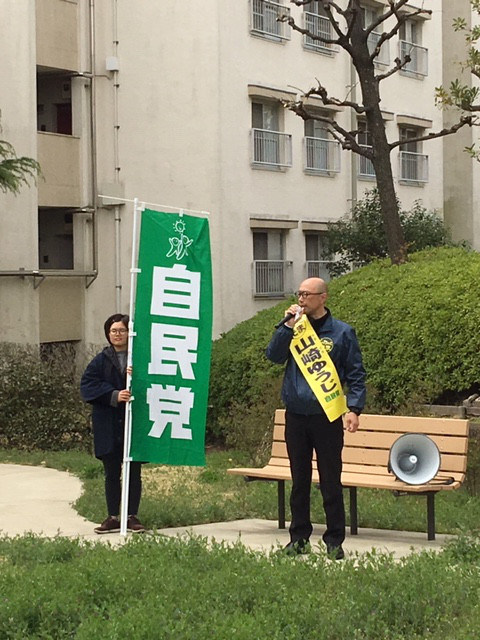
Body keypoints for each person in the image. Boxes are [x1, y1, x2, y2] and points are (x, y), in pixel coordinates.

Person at [266, 277, 366, 559]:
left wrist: (355, 409)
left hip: (327, 416)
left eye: (307, 295)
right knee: (299, 480)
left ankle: (334, 541)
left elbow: (356, 375)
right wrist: (286, 326)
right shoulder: (295, 328)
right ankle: (298, 538)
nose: (301, 299)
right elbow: (273, 356)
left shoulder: (342, 333)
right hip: (296, 416)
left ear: (323, 297)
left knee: (330, 480)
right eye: (299, 294)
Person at [80, 313, 145, 534]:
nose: (118, 335)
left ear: (130, 333)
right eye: (114, 331)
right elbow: (87, 387)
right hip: (108, 424)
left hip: (133, 423)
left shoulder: (140, 358)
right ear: (108, 334)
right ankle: (112, 516)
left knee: (133, 471)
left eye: (122, 331)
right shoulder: (101, 360)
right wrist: (114, 395)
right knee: (111, 473)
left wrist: (137, 377)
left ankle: (131, 516)